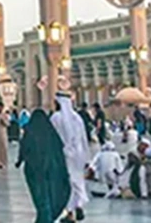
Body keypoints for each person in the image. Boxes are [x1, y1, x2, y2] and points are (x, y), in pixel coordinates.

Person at [16, 108, 70, 223]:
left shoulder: (30, 130)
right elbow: (60, 149)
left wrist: (19, 161)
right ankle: (46, 218)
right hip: (51, 169)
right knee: (51, 194)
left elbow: (24, 146)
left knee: (40, 198)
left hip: (34, 171)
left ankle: (45, 218)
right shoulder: (51, 132)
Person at [51, 93, 90, 221]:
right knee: (77, 181)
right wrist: (86, 157)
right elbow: (84, 138)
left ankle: (70, 213)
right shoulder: (77, 118)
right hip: (78, 155)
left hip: (63, 154)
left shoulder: (56, 118)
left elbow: (52, 137)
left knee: (66, 183)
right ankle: (79, 205)